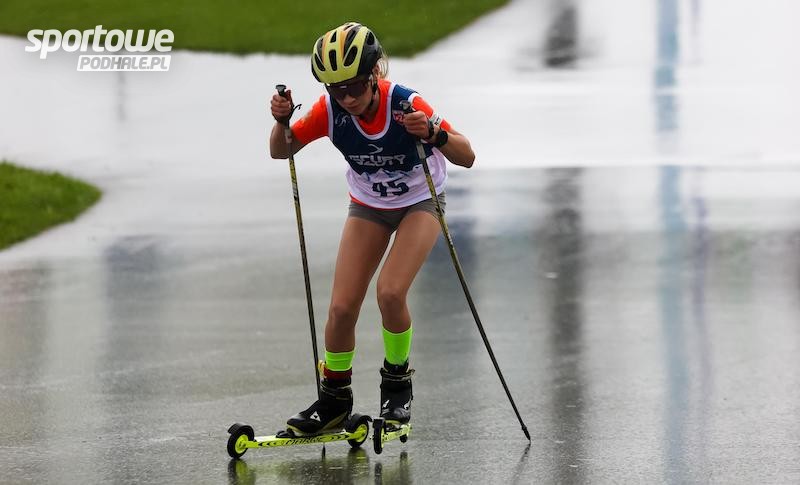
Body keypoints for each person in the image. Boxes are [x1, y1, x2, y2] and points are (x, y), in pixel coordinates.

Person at [269, 21, 475, 436]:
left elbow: (466, 155)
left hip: (420, 202)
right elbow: (281, 150)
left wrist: (433, 133)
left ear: (374, 74)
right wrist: (282, 121)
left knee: (391, 292)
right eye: (336, 89)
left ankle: (397, 386)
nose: (346, 98)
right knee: (342, 307)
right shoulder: (330, 111)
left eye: (354, 87)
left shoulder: (405, 103)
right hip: (369, 206)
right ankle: (334, 400)